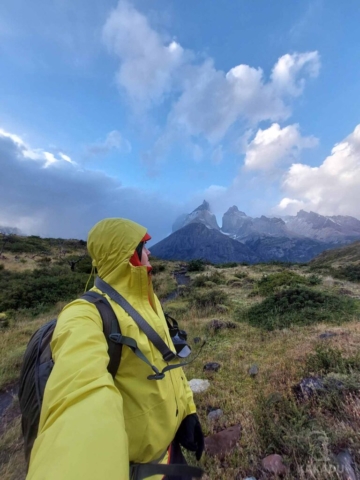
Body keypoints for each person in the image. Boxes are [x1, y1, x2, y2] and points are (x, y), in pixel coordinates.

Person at [26, 218, 204, 480]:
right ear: (128, 254)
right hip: (141, 472)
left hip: (169, 454)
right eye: (144, 245)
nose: (150, 251)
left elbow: (169, 366)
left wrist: (188, 412)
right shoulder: (83, 316)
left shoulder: (148, 298)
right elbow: (80, 397)